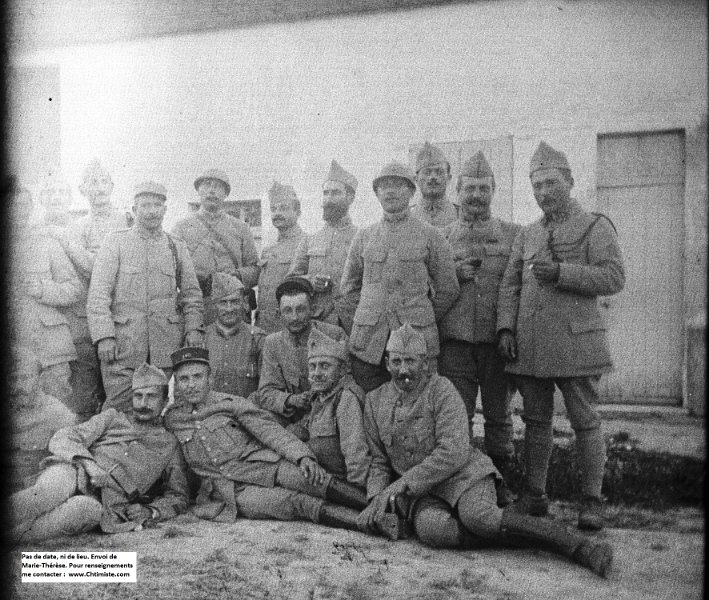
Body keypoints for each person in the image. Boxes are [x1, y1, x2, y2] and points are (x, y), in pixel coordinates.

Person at [358, 324, 612, 577]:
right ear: (386, 363)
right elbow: (379, 461)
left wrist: (401, 485)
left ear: (425, 364)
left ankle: (576, 545)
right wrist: (375, 500)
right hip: (424, 492)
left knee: (479, 518)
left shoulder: (442, 391)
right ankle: (524, 536)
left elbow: (453, 452)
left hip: (465, 476)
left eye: (411, 361)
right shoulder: (374, 401)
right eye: (397, 361)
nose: (404, 370)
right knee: (432, 531)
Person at [497, 141, 625, 530]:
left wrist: (563, 273)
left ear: (570, 181)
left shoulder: (594, 226)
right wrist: (505, 327)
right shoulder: (527, 234)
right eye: (537, 186)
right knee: (535, 422)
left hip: (575, 344)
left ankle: (591, 502)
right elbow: (509, 285)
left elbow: (614, 277)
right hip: (532, 346)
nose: (543, 192)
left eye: (551, 183)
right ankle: (535, 496)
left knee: (584, 421)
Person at [164, 347, 368, 531]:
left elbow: (270, 431)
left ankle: (380, 507)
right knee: (297, 504)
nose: (191, 385)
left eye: (197, 377)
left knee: (312, 480)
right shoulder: (172, 419)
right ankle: (372, 524)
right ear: (177, 384)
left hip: (266, 465)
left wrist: (302, 457)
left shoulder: (232, 403)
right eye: (184, 379)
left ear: (210, 379)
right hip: (230, 491)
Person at [9, 363, 190, 542]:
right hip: (73, 471)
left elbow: (178, 496)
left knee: (86, 510)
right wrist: (90, 465)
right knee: (52, 490)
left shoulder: (169, 445)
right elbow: (64, 436)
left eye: (151, 397)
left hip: (104, 503)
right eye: (138, 396)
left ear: (165, 401)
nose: (143, 403)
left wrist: (149, 511)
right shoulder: (112, 418)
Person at [439, 151, 520, 505]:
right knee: (458, 417)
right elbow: (428, 286)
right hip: (454, 343)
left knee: (500, 418)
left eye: (482, 188)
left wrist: (507, 329)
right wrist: (452, 275)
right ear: (457, 190)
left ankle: (503, 486)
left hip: (496, 343)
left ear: (494, 190)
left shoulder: (513, 235)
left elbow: (517, 288)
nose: (475, 195)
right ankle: (465, 484)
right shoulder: (440, 237)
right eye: (469, 188)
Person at [340, 161, 459, 393]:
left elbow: (448, 289)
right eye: (384, 187)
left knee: (416, 410)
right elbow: (348, 290)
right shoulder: (364, 237)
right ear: (376, 194)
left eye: (398, 185)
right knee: (369, 410)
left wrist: (421, 315)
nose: (391, 191)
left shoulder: (431, 236)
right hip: (369, 345)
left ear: (412, 191)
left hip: (414, 343)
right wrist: (367, 317)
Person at [87, 181, 204, 414]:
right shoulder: (116, 242)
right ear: (134, 209)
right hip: (123, 347)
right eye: (145, 205)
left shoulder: (175, 246)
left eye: (157, 205)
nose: (151, 211)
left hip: (165, 347)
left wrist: (193, 329)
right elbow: (98, 295)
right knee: (119, 412)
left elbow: (191, 294)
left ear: (165, 209)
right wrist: (104, 336)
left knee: (159, 412)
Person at [50, 160, 131, 420]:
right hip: (87, 320)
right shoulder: (76, 227)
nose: (99, 188)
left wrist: (75, 249)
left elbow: (102, 267)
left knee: (121, 394)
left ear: (112, 185)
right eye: (92, 183)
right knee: (85, 393)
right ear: (83, 189)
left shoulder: (128, 221)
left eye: (103, 181)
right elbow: (86, 272)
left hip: (122, 315)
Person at [9, 182, 81, 405]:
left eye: (23, 205)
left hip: (49, 349)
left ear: (31, 208)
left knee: (57, 411)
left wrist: (43, 290)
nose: (17, 210)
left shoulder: (47, 244)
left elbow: (73, 288)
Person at [171, 168, 260, 324]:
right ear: (198, 190)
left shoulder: (241, 228)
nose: (211, 190)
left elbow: (255, 269)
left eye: (218, 186)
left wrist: (235, 277)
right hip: (198, 307)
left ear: (226, 194)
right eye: (206, 185)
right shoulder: (181, 228)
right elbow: (172, 270)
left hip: (233, 305)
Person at [257, 276, 347, 428]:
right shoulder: (273, 342)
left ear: (312, 310)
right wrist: (291, 400)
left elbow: (347, 380)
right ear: (279, 314)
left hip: (330, 413)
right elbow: (266, 392)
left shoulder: (334, 335)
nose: (294, 317)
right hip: (292, 416)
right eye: (287, 311)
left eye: (300, 309)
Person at [288, 160, 359, 332]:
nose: (328, 199)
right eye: (326, 193)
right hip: (319, 322)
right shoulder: (310, 240)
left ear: (350, 197)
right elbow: (291, 281)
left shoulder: (363, 237)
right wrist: (310, 281)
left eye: (335, 193)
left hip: (353, 322)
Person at [299, 327, 370, 487]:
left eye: (325, 366)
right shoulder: (320, 397)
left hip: (342, 487)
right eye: (312, 366)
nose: (317, 373)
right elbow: (301, 429)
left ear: (342, 370)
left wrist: (356, 499)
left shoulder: (346, 399)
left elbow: (357, 458)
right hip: (321, 479)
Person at [9, 347, 77, 495]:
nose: (19, 386)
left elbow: (71, 460)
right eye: (13, 379)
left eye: (25, 378)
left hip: (35, 491)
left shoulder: (57, 413)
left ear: (40, 379)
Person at [205, 272, 266, 398]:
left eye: (234, 302)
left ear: (244, 303)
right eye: (223, 302)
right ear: (214, 305)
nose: (229, 309)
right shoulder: (201, 340)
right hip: (210, 414)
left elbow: (267, 388)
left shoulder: (258, 339)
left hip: (247, 412)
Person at [255, 181, 305, 333]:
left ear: (297, 212)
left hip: (291, 329)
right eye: (273, 209)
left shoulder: (307, 244)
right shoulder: (268, 250)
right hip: (264, 328)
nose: (277, 213)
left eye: (283, 208)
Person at [410, 142, 458, 228]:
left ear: (449, 178)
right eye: (427, 172)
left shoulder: (462, 216)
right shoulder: (406, 217)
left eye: (439, 172)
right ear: (416, 179)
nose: (433, 177)